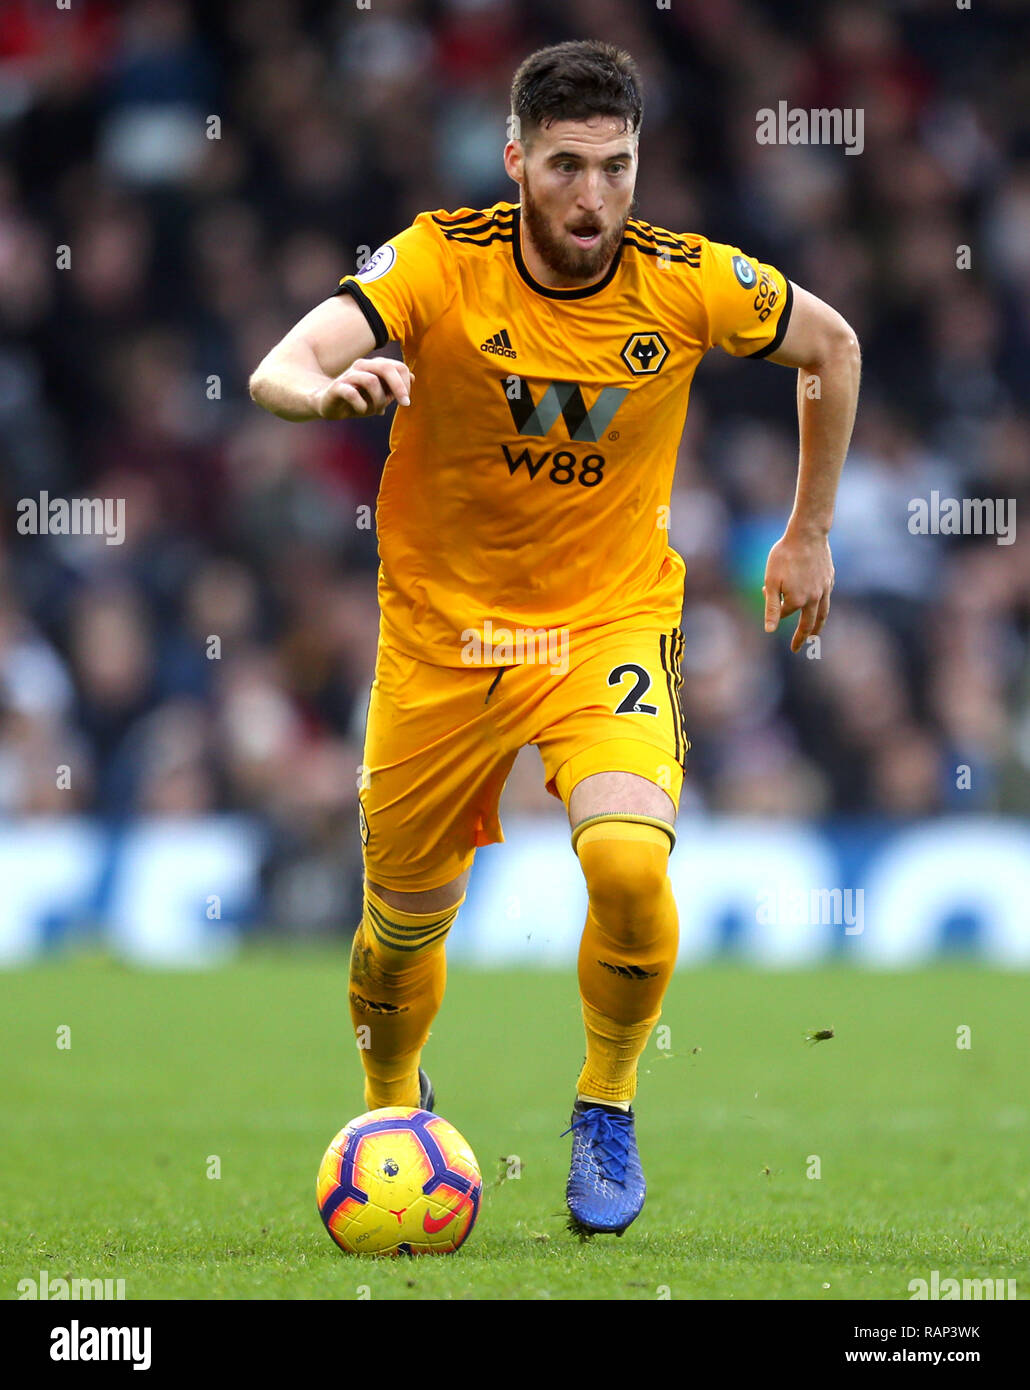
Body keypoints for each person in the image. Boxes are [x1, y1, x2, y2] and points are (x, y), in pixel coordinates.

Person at [250, 39, 860, 1236]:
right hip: (441, 645)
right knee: (391, 947)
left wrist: (808, 534)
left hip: (605, 625)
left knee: (630, 865)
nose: (594, 198)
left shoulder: (688, 280)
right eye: (569, 167)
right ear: (516, 160)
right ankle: (393, 1110)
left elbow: (830, 348)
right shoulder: (437, 260)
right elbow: (285, 358)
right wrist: (322, 395)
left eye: (618, 169)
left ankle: (608, 1102)